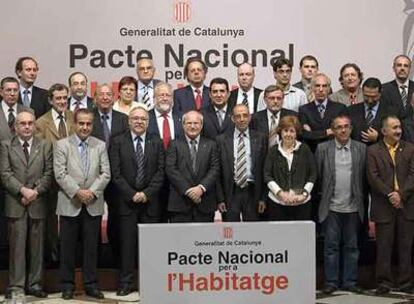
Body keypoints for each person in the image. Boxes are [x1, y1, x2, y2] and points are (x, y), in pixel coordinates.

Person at [54, 108, 110, 300]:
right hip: (70, 203)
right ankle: (67, 285)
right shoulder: (62, 145)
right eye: (81, 123)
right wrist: (78, 192)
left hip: (92, 204)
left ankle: (91, 284)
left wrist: (91, 192)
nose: (85, 127)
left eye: (88, 124)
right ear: (74, 124)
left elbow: (106, 173)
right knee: (67, 249)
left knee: (91, 249)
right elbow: (60, 174)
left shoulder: (100, 145)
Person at [110, 105, 164, 295]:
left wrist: (146, 193)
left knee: (150, 247)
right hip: (127, 203)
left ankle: (150, 283)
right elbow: (115, 174)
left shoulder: (156, 141)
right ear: (129, 121)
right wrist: (132, 193)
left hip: (150, 203)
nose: (139, 122)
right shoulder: (117, 141)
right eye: (135, 119)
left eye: (143, 119)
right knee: (127, 245)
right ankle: (126, 283)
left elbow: (160, 172)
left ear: (148, 122)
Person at [0, 109, 53, 299]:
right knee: (16, 248)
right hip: (16, 203)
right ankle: (16, 286)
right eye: (23, 124)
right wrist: (23, 191)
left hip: (38, 202)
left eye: (30, 123)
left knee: (37, 248)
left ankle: (35, 284)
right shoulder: (6, 145)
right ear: (15, 127)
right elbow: (5, 174)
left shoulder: (45, 145)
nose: (27, 127)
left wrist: (35, 192)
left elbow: (49, 174)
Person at [316, 115, 366, 294]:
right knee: (330, 247)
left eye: (346, 127)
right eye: (338, 127)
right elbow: (319, 177)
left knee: (352, 247)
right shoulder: (323, 149)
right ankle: (331, 282)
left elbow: (364, 180)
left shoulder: (361, 149)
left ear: (351, 128)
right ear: (333, 130)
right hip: (331, 207)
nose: (343, 130)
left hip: (353, 207)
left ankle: (350, 281)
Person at [367, 115, 414, 295]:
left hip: (407, 205)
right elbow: (373, 177)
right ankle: (384, 282)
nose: (398, 131)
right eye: (394, 128)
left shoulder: (410, 149)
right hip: (384, 205)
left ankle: (406, 282)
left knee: (405, 246)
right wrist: (390, 194)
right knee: (384, 247)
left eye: (399, 127)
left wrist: (401, 194)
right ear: (384, 131)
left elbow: (412, 175)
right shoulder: (373, 151)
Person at [35, 83, 75, 266]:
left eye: (64, 98)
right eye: (58, 98)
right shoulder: (41, 123)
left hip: (72, 179)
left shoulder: (74, 118)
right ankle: (52, 258)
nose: (62, 101)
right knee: (51, 220)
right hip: (51, 180)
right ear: (51, 100)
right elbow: (40, 155)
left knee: (70, 221)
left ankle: (69, 257)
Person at [90, 83, 128, 260]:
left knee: (117, 218)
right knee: (92, 219)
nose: (105, 97)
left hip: (117, 178)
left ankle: (114, 257)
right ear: (95, 98)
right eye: (101, 94)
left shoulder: (123, 118)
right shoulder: (88, 119)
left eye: (108, 94)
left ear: (114, 97)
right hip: (93, 178)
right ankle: (95, 257)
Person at [166, 110, 220, 222]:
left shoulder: (211, 145)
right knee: (180, 239)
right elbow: (171, 169)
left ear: (201, 125)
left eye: (196, 123)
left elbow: (215, 169)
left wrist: (201, 188)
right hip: (180, 203)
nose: (192, 126)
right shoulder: (174, 144)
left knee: (204, 239)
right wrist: (188, 190)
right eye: (189, 123)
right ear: (183, 125)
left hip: (204, 202)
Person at [216, 104, 267, 221]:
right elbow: (217, 172)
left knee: (252, 232)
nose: (242, 119)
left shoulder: (261, 138)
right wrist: (220, 199)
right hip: (231, 191)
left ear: (250, 117)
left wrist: (263, 198)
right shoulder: (221, 140)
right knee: (230, 231)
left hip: (253, 191)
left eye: (245, 115)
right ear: (233, 119)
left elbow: (265, 169)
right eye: (238, 116)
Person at [264, 115, 316, 221]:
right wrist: (280, 193)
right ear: (280, 132)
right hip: (277, 203)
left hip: (302, 203)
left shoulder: (305, 149)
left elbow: (313, 173)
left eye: (292, 131)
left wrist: (304, 194)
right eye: (285, 130)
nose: (288, 134)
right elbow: (267, 175)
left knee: (300, 236)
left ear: (296, 133)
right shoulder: (273, 151)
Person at [299, 72, 347, 152]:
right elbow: (304, 135)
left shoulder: (340, 108)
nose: (321, 89)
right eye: (317, 86)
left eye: (324, 86)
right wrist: (326, 132)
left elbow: (342, 133)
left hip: (334, 152)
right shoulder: (304, 110)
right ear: (312, 88)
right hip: (312, 153)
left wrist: (314, 134)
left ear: (329, 89)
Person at [348, 77, 394, 145]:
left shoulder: (391, 111)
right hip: (357, 152)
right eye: (366, 96)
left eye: (373, 96)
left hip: (382, 152)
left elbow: (396, 135)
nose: (370, 100)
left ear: (380, 94)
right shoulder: (351, 110)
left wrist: (378, 137)